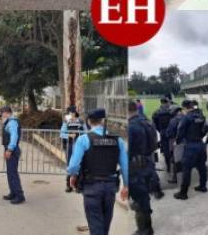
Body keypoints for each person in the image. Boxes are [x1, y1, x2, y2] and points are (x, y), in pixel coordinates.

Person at [68, 109, 128, 235]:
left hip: (91, 187)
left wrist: (73, 176)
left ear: (89, 122)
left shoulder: (84, 139)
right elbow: (125, 166)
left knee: (96, 225)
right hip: (110, 187)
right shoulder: (118, 140)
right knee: (105, 225)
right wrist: (126, 186)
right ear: (103, 121)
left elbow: (73, 165)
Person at [129, 101, 155, 235]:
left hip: (135, 167)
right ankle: (147, 227)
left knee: (139, 200)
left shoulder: (131, 126)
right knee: (144, 196)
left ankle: (144, 229)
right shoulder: (147, 122)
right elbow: (154, 144)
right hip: (147, 162)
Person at [173, 100, 207, 200]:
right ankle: (203, 186)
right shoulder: (201, 116)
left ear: (184, 108)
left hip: (191, 146)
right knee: (201, 167)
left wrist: (177, 141)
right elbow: (204, 129)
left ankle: (183, 193)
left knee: (186, 169)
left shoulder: (186, 118)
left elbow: (180, 131)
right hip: (201, 144)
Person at [1, 105, 25, 203]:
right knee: (10, 173)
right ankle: (13, 192)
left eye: (2, 113)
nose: (2, 115)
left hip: (12, 150)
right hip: (11, 149)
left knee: (13, 173)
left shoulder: (12, 122)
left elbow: (14, 136)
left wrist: (9, 150)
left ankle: (19, 195)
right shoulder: (11, 121)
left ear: (7, 112)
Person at [61, 106, 86, 192]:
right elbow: (61, 134)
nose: (70, 114)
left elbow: (86, 132)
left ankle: (78, 185)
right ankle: (69, 185)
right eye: (69, 113)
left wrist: (80, 134)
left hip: (80, 146)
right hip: (70, 145)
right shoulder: (66, 122)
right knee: (69, 164)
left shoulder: (81, 122)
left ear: (75, 113)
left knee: (80, 163)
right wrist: (69, 135)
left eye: (72, 112)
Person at [152, 98, 174, 172]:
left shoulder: (156, 112)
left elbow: (154, 123)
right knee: (173, 149)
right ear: (167, 102)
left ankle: (168, 167)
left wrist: (160, 130)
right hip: (171, 133)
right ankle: (174, 166)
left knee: (165, 150)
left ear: (161, 102)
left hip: (162, 132)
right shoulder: (171, 111)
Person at [166, 104, 184, 183]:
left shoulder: (173, 120)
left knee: (174, 160)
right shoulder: (185, 117)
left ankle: (175, 178)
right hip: (186, 141)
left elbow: (169, 133)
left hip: (175, 142)